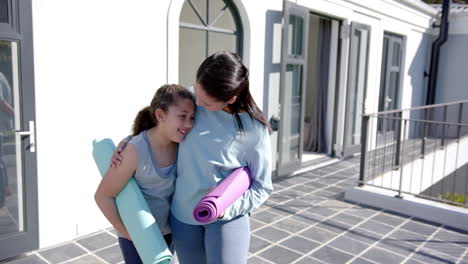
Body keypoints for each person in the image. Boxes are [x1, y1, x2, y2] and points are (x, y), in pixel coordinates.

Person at [113, 51, 273, 264]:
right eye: (197, 92)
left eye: (206, 103)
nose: (197, 103)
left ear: (231, 99)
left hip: (227, 218)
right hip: (183, 217)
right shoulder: (191, 99)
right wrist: (130, 141)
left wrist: (225, 209)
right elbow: (161, 125)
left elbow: (262, 187)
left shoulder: (254, 129)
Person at [95, 84, 195, 264]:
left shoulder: (181, 145)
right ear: (160, 115)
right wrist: (130, 235)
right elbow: (103, 196)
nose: (188, 124)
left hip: (166, 232)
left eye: (192, 118)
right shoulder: (135, 151)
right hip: (137, 237)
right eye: (182, 116)